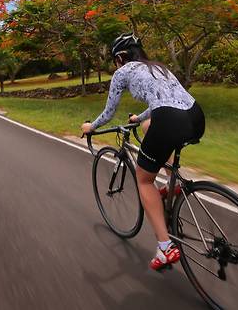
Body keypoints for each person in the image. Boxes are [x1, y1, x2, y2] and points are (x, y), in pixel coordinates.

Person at [81, 33, 205, 271]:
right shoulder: (159, 67)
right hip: (195, 117)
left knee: (144, 180)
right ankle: (172, 183)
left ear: (120, 57)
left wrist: (91, 127)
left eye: (115, 60)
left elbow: (109, 112)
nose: (115, 65)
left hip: (171, 120)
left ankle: (165, 247)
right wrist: (140, 117)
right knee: (149, 125)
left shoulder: (122, 73)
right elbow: (164, 99)